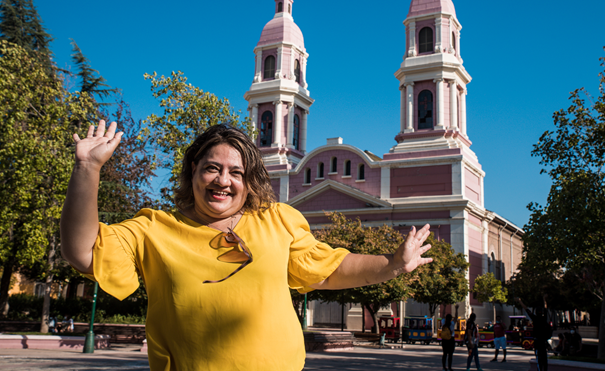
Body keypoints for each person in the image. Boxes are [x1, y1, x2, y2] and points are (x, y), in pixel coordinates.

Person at [60, 121, 433, 371]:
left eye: (236, 172)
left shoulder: (278, 219)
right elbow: (82, 252)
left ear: (249, 180)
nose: (223, 180)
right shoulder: (153, 229)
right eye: (211, 168)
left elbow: (329, 269)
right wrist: (87, 168)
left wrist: (392, 263)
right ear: (192, 171)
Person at [518, 296, 552, 371]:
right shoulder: (544, 318)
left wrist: (520, 301)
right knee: (544, 357)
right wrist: (544, 299)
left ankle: (540, 369)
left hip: (537, 341)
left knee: (538, 357)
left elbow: (526, 309)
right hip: (543, 340)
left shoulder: (535, 318)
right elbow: (546, 308)